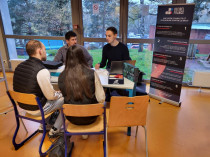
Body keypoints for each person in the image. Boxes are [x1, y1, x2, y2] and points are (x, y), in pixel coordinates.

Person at [13, 40, 64, 138]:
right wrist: (60, 94)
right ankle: (55, 130)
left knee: (49, 96)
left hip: (23, 106)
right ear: (40, 51)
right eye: (44, 50)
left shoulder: (19, 66)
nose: (45, 52)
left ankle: (44, 124)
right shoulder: (42, 71)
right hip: (36, 109)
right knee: (66, 98)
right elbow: (51, 96)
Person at [58, 45, 105, 139]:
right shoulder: (92, 73)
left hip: (71, 118)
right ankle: (85, 131)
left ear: (67, 58)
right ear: (82, 57)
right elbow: (101, 98)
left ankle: (83, 131)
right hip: (91, 116)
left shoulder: (61, 76)